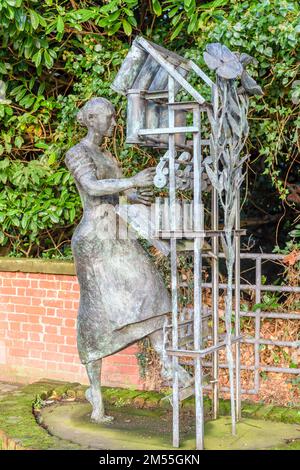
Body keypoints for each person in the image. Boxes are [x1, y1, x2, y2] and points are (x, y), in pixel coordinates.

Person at [65, 97, 190, 423]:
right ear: (92, 120)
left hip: (118, 233)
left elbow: (116, 194)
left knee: (152, 290)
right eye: (109, 118)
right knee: (98, 313)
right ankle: (96, 395)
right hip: (95, 240)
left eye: (115, 117)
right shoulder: (77, 153)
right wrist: (131, 182)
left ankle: (169, 365)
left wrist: (138, 192)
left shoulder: (108, 155)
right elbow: (92, 187)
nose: (114, 123)